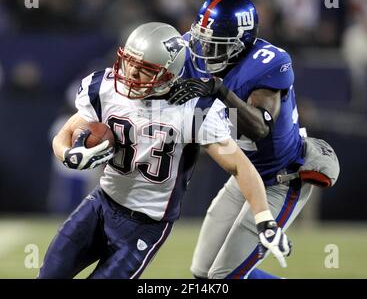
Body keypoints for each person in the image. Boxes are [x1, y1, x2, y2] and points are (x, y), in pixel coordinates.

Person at [38, 22, 291, 279]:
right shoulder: (104, 87)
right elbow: (66, 133)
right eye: (129, 62)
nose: (132, 73)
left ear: (168, 73)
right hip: (100, 205)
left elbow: (239, 166)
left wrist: (264, 219)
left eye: (144, 69)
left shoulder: (194, 110)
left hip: (145, 225)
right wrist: (69, 154)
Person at [168, 0, 340, 279]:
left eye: (216, 45)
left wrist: (220, 91)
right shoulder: (197, 52)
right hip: (244, 178)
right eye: (203, 40)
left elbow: (260, 127)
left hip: (280, 180)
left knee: (224, 278)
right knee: (201, 274)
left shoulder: (267, 63)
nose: (205, 50)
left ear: (240, 44)